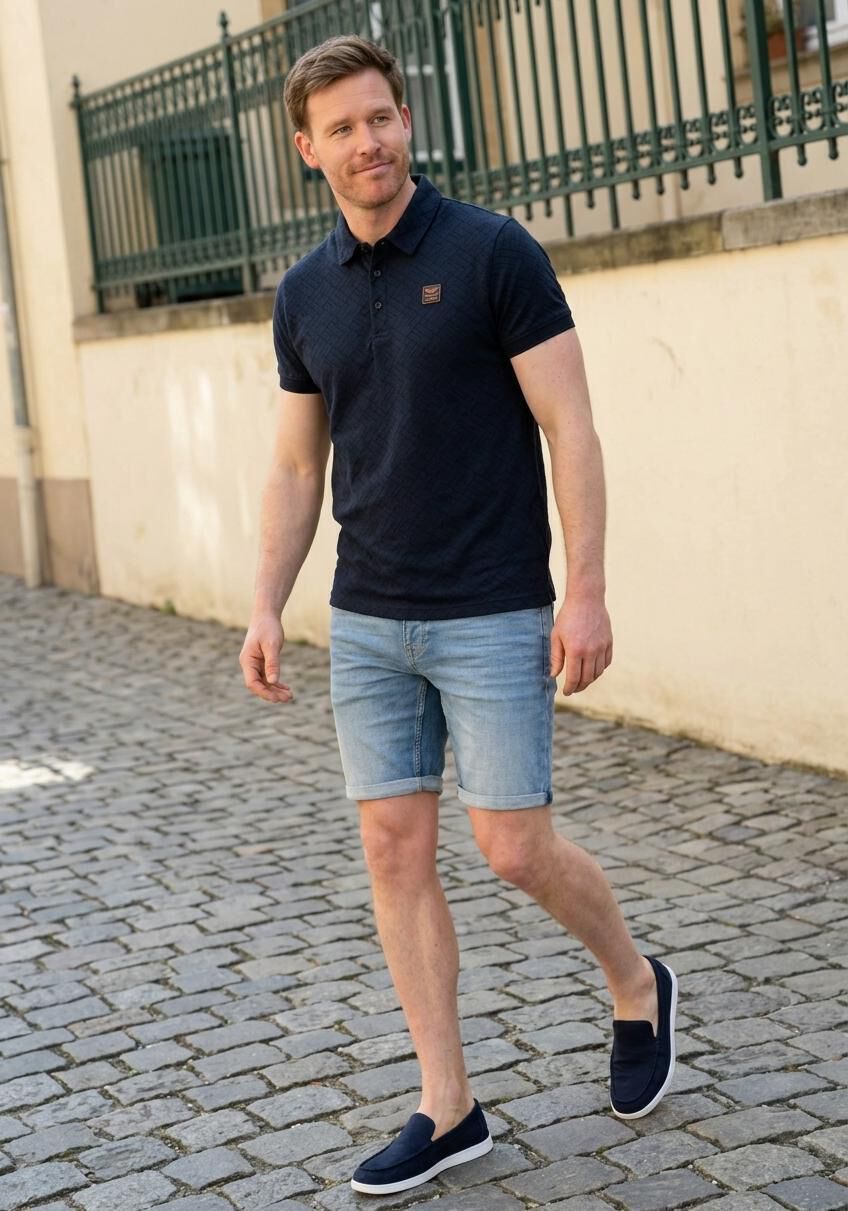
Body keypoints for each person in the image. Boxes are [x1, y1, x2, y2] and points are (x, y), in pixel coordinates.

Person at [239, 33, 677, 1197]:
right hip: (368, 616)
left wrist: (585, 587)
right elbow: (296, 467)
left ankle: (635, 980)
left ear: (405, 121)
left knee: (512, 847)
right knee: (393, 847)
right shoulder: (303, 293)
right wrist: (265, 603)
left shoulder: (491, 252)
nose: (368, 141)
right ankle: (448, 1104)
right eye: (341, 127)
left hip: (491, 604)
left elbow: (568, 425)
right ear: (307, 148)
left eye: (380, 116)